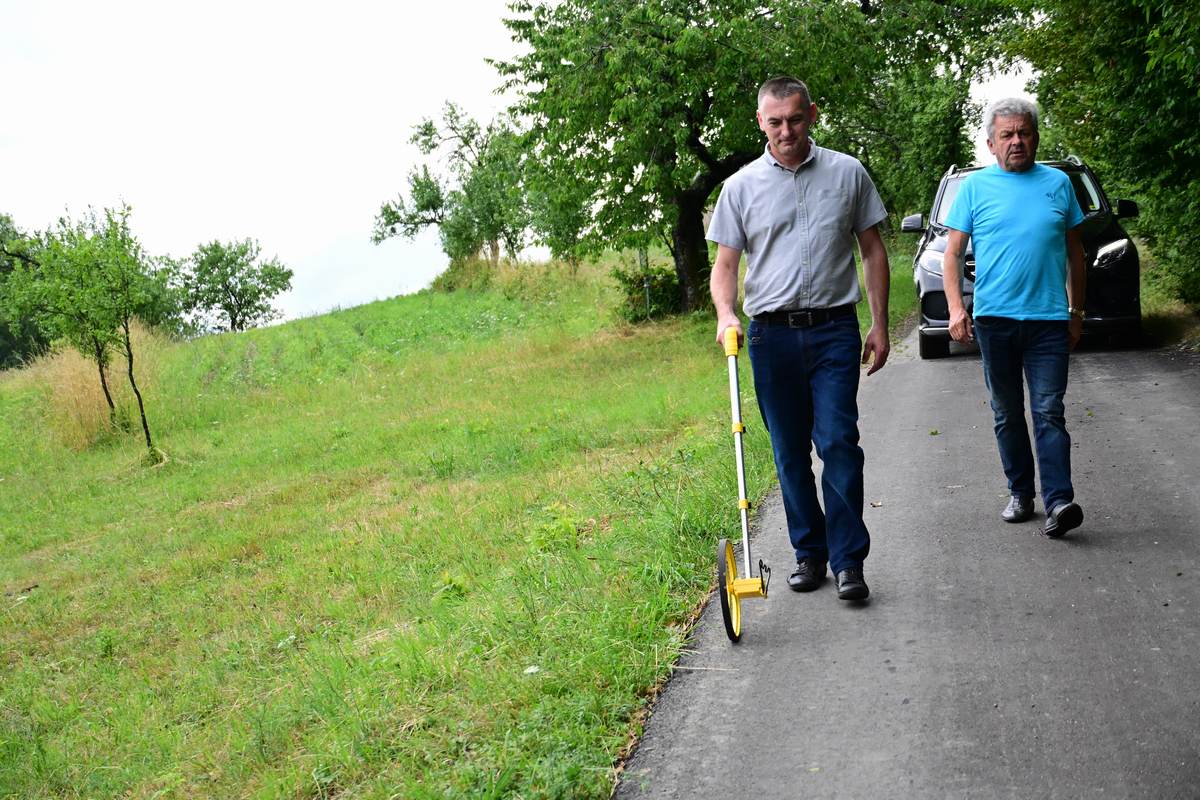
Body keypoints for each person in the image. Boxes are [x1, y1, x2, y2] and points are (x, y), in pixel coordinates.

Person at [707, 76, 891, 601]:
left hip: (835, 330)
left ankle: (849, 561)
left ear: (811, 113)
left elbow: (873, 250)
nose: (786, 131)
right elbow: (725, 265)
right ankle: (809, 553)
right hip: (772, 337)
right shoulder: (740, 187)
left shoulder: (847, 173)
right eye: (775, 122)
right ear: (760, 122)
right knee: (789, 452)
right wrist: (726, 313)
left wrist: (879, 323)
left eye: (794, 119)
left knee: (838, 443)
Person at [942, 97, 1086, 537]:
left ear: (1036, 137)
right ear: (991, 143)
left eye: (1024, 133)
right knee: (1006, 412)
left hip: (1048, 321)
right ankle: (1021, 492)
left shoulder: (1058, 183)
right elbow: (952, 254)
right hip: (995, 321)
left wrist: (1076, 311)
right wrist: (956, 308)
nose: (1017, 141)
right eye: (1007, 135)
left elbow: (1076, 254)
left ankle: (1059, 502)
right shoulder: (974, 187)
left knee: (1049, 410)